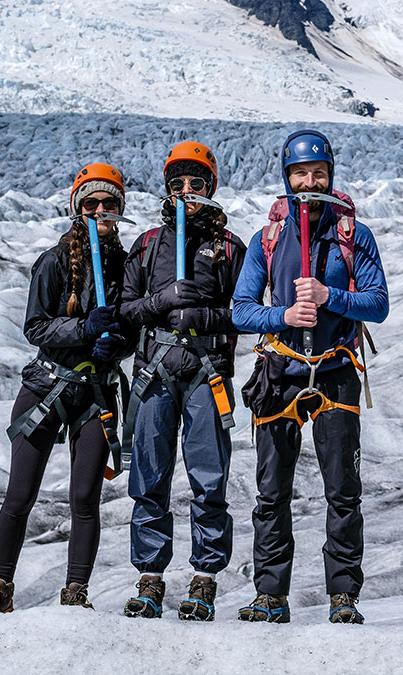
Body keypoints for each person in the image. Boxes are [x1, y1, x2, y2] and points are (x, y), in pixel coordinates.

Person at [232, 130, 388, 624]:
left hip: (337, 369)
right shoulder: (269, 238)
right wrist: (283, 317)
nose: (309, 181)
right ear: (287, 177)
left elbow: (378, 304)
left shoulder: (352, 235)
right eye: (300, 174)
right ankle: (270, 594)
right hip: (279, 371)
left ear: (330, 175)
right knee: (271, 492)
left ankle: (343, 595)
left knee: (343, 490)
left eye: (318, 173)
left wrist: (328, 297)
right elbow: (240, 310)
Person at [0, 162, 131, 615]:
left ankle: (76, 593)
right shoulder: (54, 261)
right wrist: (84, 328)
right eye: (92, 201)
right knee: (20, 495)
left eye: (110, 202)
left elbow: (135, 326)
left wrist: (119, 343)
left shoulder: (126, 265)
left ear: (120, 208)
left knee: (85, 498)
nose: (101, 209)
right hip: (48, 388)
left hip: (96, 393)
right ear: (77, 207)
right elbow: (36, 327)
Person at [119, 141, 245, 621]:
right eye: (178, 184)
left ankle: (205, 578)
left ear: (210, 187)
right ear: (167, 189)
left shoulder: (230, 248)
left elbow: (247, 311)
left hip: (205, 374)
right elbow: (124, 310)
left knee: (208, 480)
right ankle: (150, 577)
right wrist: (159, 303)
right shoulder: (149, 244)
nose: (187, 191)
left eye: (196, 183)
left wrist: (205, 315)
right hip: (154, 373)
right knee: (148, 477)